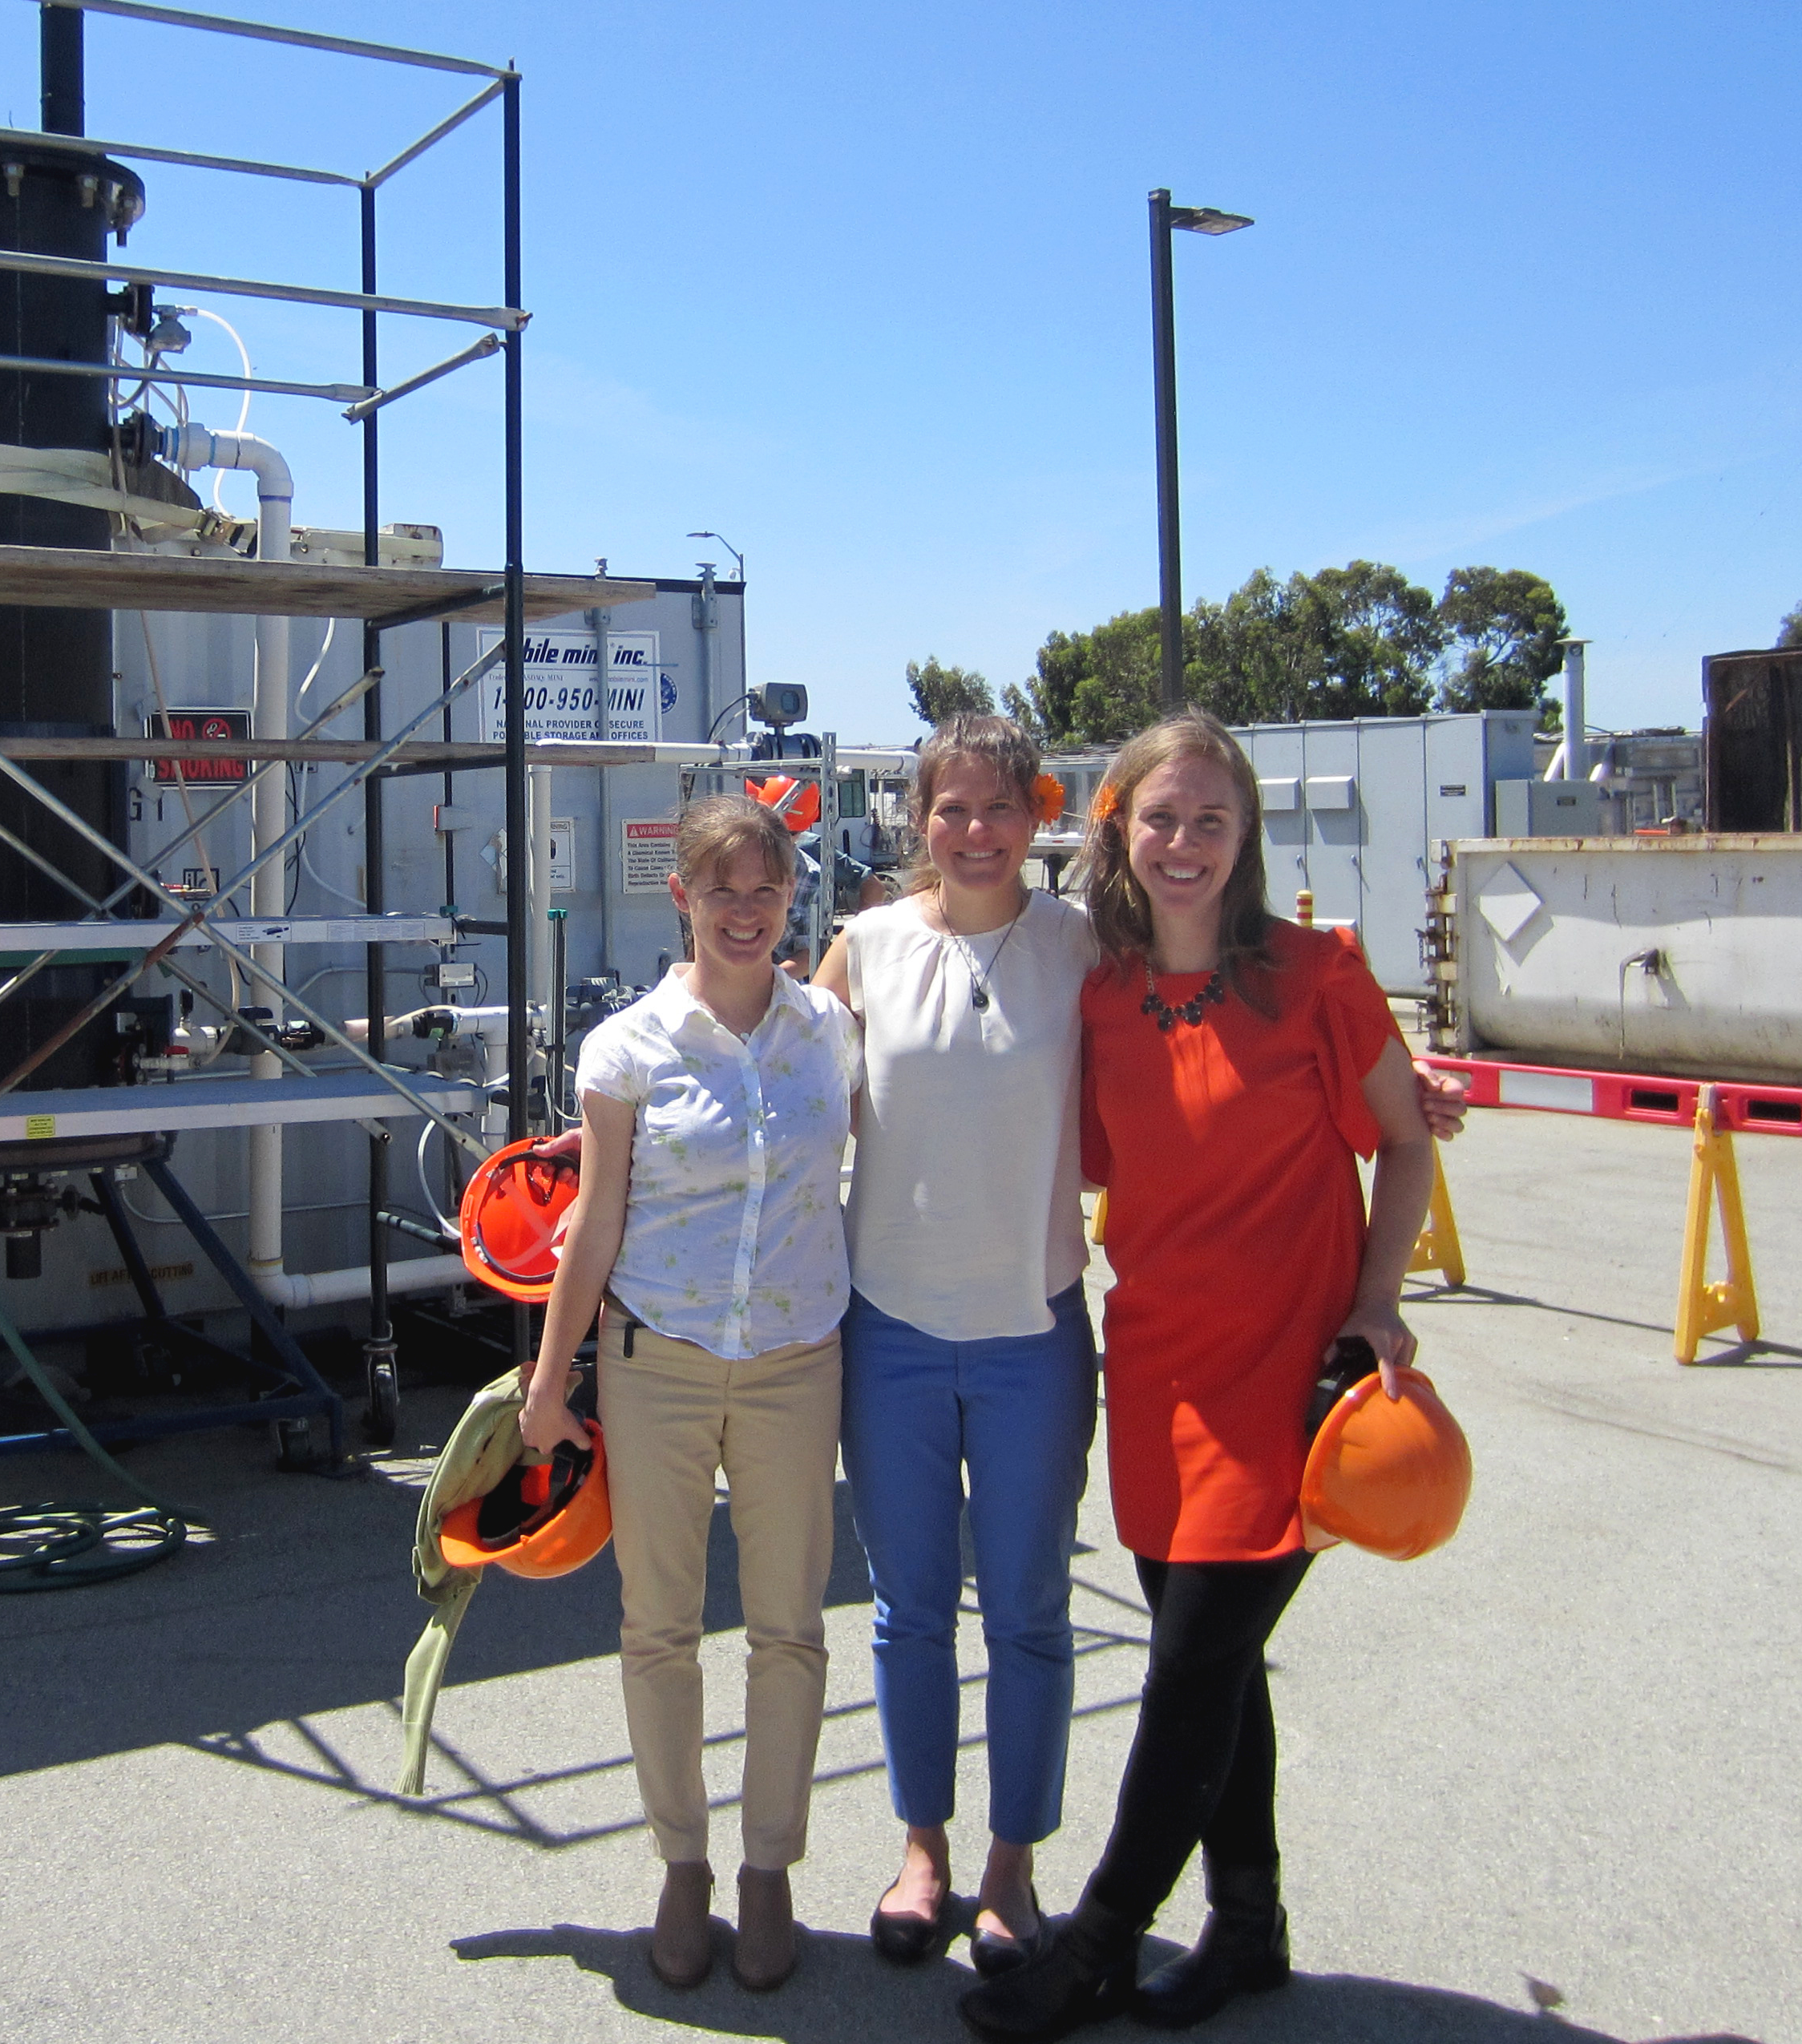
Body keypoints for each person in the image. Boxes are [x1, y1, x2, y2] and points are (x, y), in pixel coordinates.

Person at [960, 710, 1439, 2042]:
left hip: (1286, 1383)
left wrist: (1376, 1299)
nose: (1182, 844)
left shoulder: (1316, 973)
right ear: (1119, 827)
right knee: (1218, 1666)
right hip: (1157, 1373)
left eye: (1209, 821)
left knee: (1184, 1672)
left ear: (1244, 836)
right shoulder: (1104, 991)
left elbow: (1402, 1144)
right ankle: (1249, 1921)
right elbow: (1082, 1146)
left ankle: (1101, 1939)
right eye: (1158, 819)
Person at [518, 792, 863, 1994]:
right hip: (655, 1358)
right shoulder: (625, 1047)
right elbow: (595, 1220)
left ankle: (768, 1865)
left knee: (788, 1628)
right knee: (658, 1627)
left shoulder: (828, 1029)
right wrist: (549, 1380)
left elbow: (878, 1162)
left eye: (765, 889)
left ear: (789, 900)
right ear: (680, 895)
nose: (745, 910)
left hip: (793, 1360)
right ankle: (682, 1861)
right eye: (721, 888)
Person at [811, 715, 1097, 1977]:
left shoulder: (1084, 947)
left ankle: (1010, 1865)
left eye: (999, 808)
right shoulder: (864, 948)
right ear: (915, 818)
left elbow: (1216, 1023)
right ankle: (918, 1849)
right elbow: (761, 1073)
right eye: (950, 808)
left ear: (1035, 816)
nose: (975, 831)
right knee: (909, 1610)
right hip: (892, 1335)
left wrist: (1384, 1077)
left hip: (1034, 1328)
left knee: (1031, 1609)